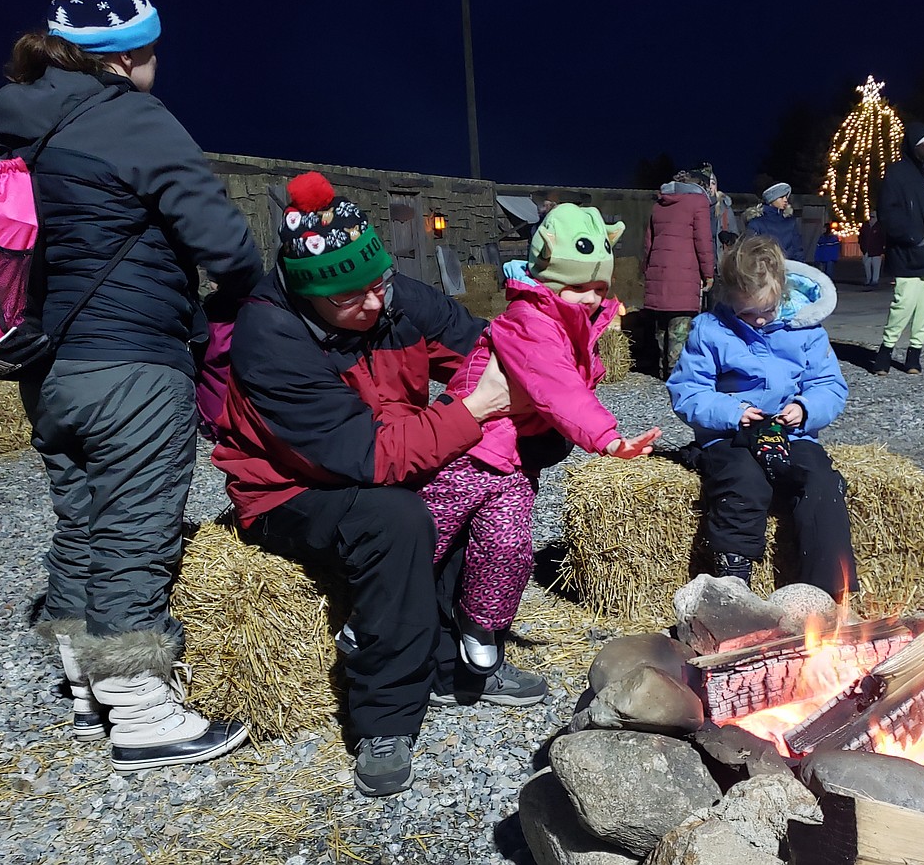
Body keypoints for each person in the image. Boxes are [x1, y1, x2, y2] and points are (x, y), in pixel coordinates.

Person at [0, 0, 261, 770]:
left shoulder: (18, 123)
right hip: (131, 363)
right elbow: (226, 246)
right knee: (135, 534)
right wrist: (238, 296)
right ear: (128, 56)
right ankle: (141, 709)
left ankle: (83, 686)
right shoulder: (130, 119)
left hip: (49, 368)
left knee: (79, 527)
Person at [211, 171, 548, 798]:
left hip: (388, 449)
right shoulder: (270, 340)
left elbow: (483, 346)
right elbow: (363, 458)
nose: (373, 306)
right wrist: (471, 412)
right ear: (307, 293)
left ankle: (454, 664)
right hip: (292, 487)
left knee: (484, 474)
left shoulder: (389, 297)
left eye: (379, 285)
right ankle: (386, 716)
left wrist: (546, 394)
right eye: (350, 299)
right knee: (397, 519)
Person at [419, 204, 661, 674]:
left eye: (599, 288)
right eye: (577, 288)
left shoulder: (575, 323)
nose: (591, 299)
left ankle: (481, 621)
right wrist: (608, 439)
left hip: (512, 462)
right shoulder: (529, 321)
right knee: (424, 538)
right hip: (466, 452)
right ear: (548, 280)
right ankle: (376, 614)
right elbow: (557, 389)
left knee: (509, 547)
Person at [667, 235, 857, 601]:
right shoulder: (710, 330)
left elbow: (829, 385)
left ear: (782, 296)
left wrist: (804, 409)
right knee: (743, 481)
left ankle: (828, 591)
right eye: (746, 314)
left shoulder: (806, 331)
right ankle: (735, 581)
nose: (757, 320)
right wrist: (732, 412)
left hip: (791, 433)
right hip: (732, 433)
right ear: (728, 298)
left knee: (820, 483)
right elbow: (688, 391)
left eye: (766, 311)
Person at [872, 123, 924, 376]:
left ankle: (914, 355)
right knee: (903, 304)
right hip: (909, 253)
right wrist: (914, 238)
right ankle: (885, 352)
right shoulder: (897, 174)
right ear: (914, 145)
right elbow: (889, 212)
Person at [641, 173, 716, 377]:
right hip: (685, 273)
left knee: (662, 326)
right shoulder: (697, 203)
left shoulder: (659, 204)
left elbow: (648, 243)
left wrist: (646, 271)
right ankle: (675, 374)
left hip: (659, 273)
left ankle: (661, 368)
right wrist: (708, 273)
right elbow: (703, 242)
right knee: (680, 326)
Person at [743, 182, 805, 261]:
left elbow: (798, 250)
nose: (785, 200)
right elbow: (750, 251)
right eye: (781, 197)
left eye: (786, 197)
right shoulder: (756, 223)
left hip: (789, 269)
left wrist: (801, 268)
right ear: (771, 199)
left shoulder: (791, 222)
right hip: (765, 269)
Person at [697, 163, 740, 265]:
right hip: (700, 266)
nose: (710, 187)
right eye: (707, 183)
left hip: (719, 266)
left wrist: (730, 238)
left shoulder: (725, 208)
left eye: (713, 183)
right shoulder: (695, 208)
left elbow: (736, 237)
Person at [858, 211, 887, 289]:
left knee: (876, 266)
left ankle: (875, 280)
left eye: (873, 216)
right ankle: (868, 279)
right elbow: (861, 236)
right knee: (867, 266)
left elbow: (883, 238)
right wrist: (862, 246)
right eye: (870, 216)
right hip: (866, 250)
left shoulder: (880, 226)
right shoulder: (865, 225)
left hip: (876, 251)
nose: (871, 218)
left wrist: (882, 248)